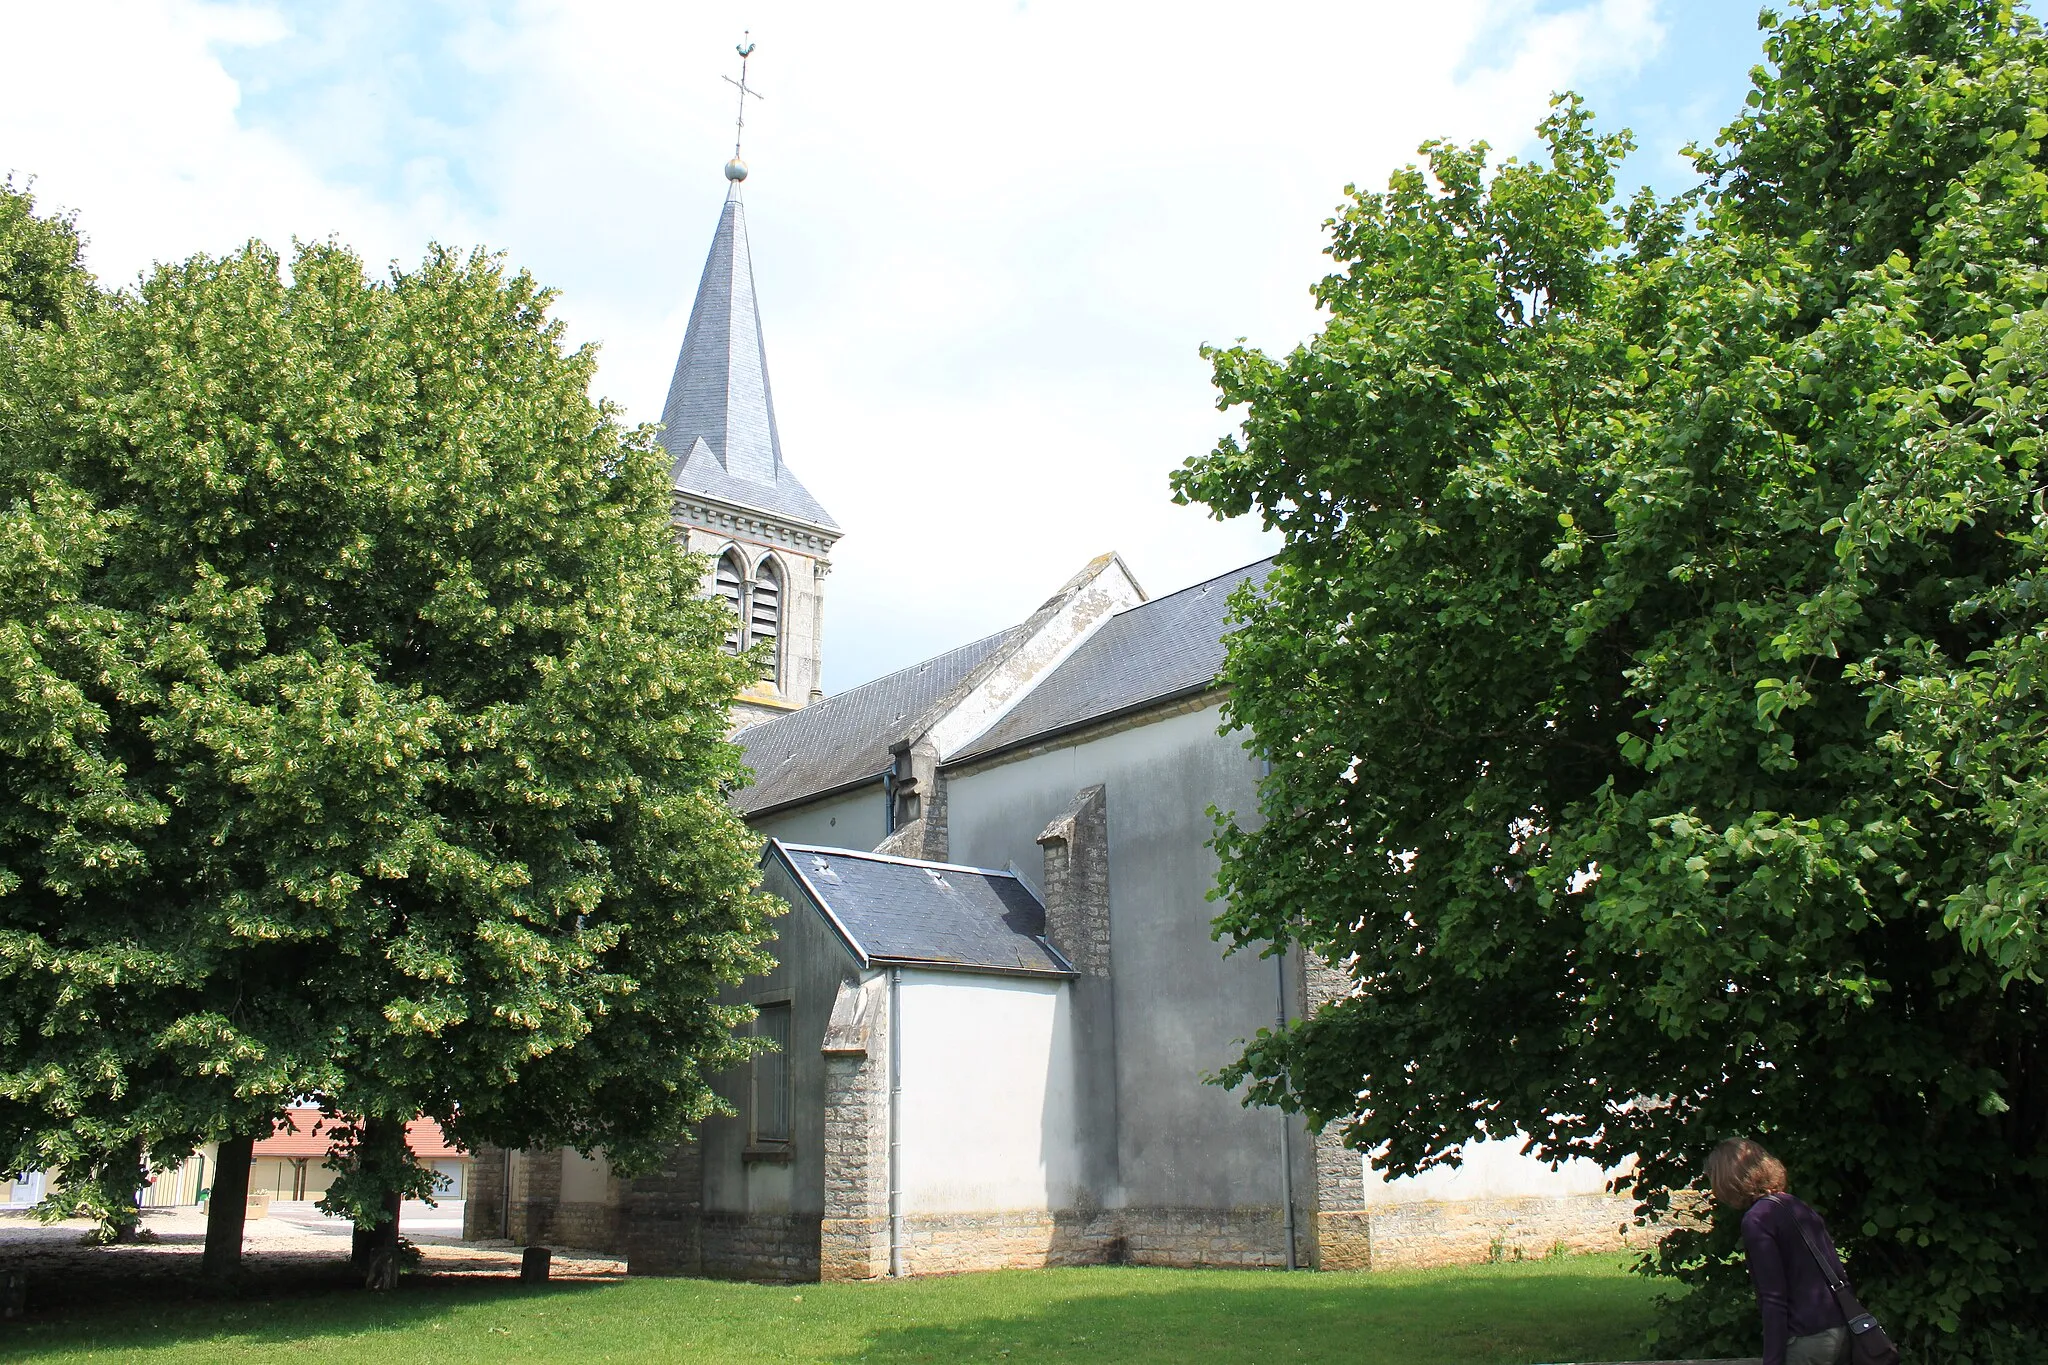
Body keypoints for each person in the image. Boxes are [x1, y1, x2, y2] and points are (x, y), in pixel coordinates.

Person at [1706, 1137, 1850, 1365]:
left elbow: (1773, 1298)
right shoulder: (1796, 1205)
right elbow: (1836, 1269)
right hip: (1841, 1330)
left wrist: (1772, 1360)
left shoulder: (1757, 1220)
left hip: (1807, 1340)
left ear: (1727, 1181)